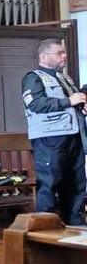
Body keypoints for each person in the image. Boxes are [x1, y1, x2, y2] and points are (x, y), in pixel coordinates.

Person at [22, 38, 87, 225]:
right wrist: (69, 101)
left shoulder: (65, 78)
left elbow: (70, 104)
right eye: (59, 53)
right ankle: (45, 226)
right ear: (44, 57)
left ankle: (74, 222)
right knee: (49, 182)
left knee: (75, 182)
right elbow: (35, 104)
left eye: (64, 52)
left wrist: (80, 105)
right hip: (49, 139)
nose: (64, 56)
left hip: (73, 136)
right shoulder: (33, 78)